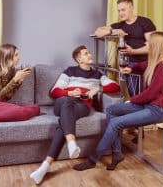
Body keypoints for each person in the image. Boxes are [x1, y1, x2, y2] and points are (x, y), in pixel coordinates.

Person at [73, 31, 163, 171]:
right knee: (111, 110)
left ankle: (93, 159)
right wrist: (131, 68)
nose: (146, 44)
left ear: (156, 46)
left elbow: (152, 93)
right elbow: (141, 66)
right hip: (148, 106)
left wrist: (132, 100)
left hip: (157, 110)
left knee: (115, 123)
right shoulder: (155, 62)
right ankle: (117, 153)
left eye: (149, 43)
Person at [29, 45, 120, 184]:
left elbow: (116, 86)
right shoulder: (70, 71)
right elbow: (54, 91)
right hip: (63, 101)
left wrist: (98, 88)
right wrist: (68, 92)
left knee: (63, 124)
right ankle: (71, 142)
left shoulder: (98, 75)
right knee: (67, 102)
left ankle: (45, 166)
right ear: (79, 59)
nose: (90, 55)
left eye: (89, 53)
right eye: (86, 53)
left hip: (82, 106)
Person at [95, 0, 156, 97]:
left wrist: (133, 51)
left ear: (131, 7)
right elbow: (98, 32)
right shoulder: (120, 25)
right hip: (130, 64)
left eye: (123, 10)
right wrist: (113, 31)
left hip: (148, 64)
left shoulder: (145, 22)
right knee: (135, 95)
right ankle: (137, 110)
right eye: (118, 11)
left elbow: (153, 47)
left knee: (148, 94)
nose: (120, 13)